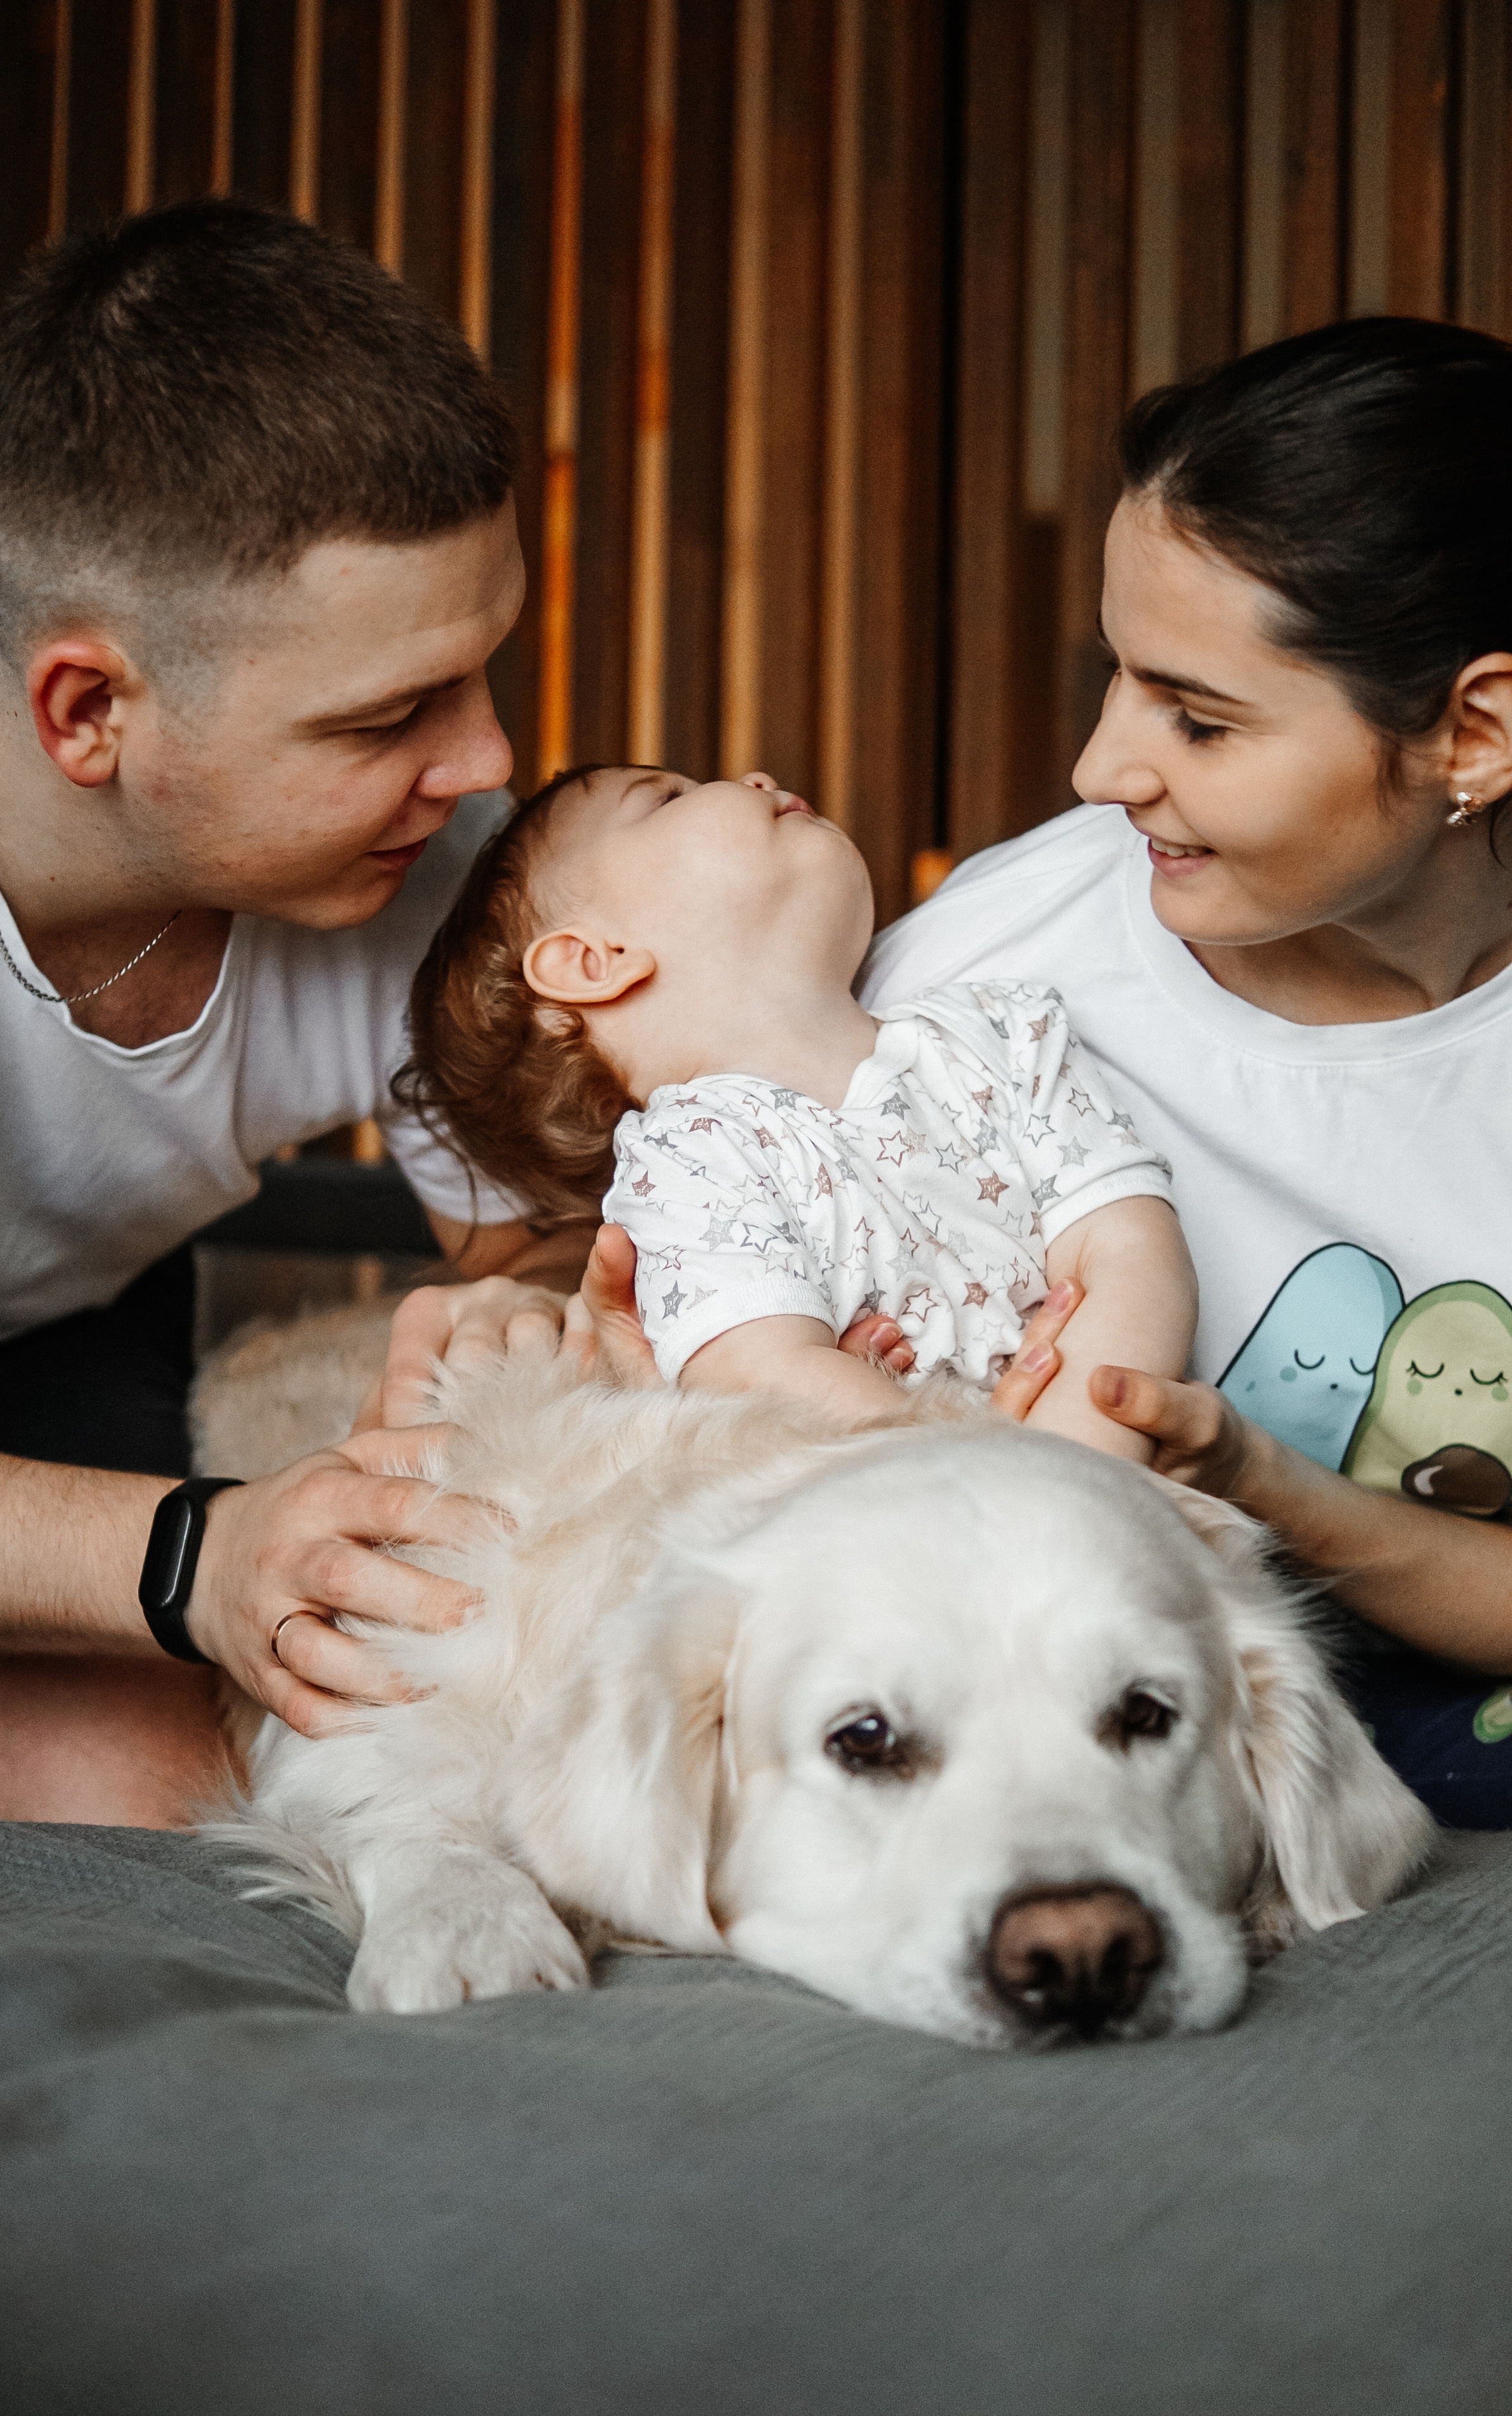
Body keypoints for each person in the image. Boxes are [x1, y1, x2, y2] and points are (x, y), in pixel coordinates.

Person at [0, 198, 612, 1825]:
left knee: (132, 1782)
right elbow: (192, 1567)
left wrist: (528, 1307)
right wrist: (190, 1559)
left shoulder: (436, 868)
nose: (487, 762)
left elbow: (540, 1242)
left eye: (481, 669)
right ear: (88, 710)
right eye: (388, 716)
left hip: (36, 1339)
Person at [858, 316, 1512, 1824]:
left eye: (1197, 718)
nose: (1100, 769)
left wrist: (1272, 1492)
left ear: (1472, 729)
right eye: (1117, 679)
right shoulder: (995, 968)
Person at [397, 762, 1194, 1446]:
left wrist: (1088, 1452)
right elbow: (764, 1383)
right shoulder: (685, 1167)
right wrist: (1001, 1469)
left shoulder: (1008, 1030)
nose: (749, 777)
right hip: (925, 1533)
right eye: (666, 799)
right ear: (592, 960)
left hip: (1107, 1469)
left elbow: (1128, 1248)